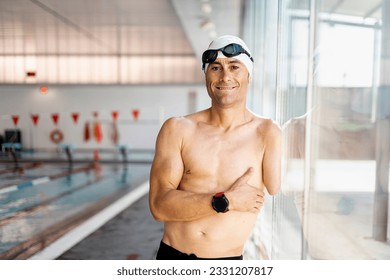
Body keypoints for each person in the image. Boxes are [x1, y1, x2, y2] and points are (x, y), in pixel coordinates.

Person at [149, 35, 281, 260]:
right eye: (215, 68)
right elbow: (159, 206)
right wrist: (225, 201)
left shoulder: (267, 133)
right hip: (174, 257)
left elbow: (277, 187)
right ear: (206, 75)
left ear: (249, 74)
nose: (225, 76)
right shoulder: (177, 129)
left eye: (234, 67)